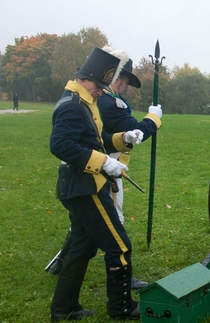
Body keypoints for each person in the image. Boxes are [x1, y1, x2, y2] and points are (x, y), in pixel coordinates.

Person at [46, 47, 162, 290]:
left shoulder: (86, 101)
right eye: (99, 85)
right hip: (89, 178)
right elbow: (60, 144)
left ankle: (65, 305)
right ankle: (121, 301)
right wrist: (105, 161)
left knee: (82, 241)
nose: (102, 91)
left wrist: (124, 137)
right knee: (117, 240)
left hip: (91, 174)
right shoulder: (77, 104)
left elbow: (100, 139)